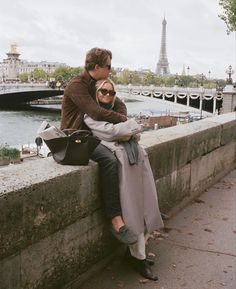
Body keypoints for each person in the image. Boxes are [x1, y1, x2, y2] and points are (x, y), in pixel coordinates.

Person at [84, 79, 164, 281]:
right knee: (133, 212)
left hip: (137, 163)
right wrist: (128, 130)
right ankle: (137, 258)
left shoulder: (115, 114)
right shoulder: (91, 115)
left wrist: (126, 132)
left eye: (111, 93)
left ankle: (139, 253)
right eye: (103, 91)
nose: (107, 96)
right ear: (95, 93)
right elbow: (111, 132)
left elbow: (133, 136)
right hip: (126, 167)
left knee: (146, 208)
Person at [60, 48, 137, 245]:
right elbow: (96, 113)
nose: (111, 70)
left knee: (131, 154)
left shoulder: (97, 84)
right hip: (75, 139)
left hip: (92, 136)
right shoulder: (77, 85)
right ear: (97, 67)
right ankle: (115, 219)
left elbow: (119, 104)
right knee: (110, 160)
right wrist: (126, 121)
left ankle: (139, 206)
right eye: (108, 66)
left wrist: (123, 117)